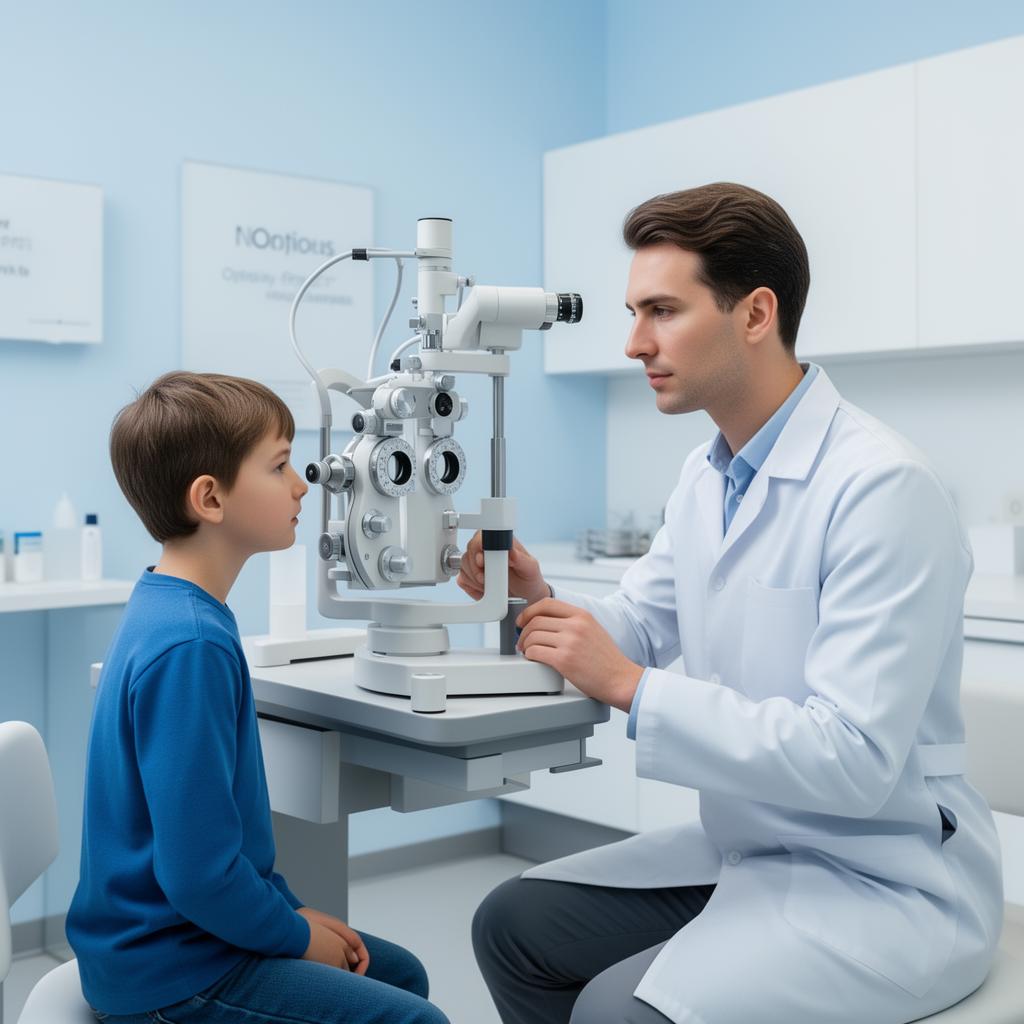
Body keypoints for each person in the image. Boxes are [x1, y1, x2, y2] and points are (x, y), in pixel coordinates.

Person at [465, 183, 1003, 1024]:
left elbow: (854, 757)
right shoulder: (707, 474)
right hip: (752, 849)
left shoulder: (881, 487)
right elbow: (639, 625)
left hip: (887, 879)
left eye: (662, 311)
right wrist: (536, 599)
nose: (635, 342)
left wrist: (637, 689)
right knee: (513, 926)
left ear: (755, 314)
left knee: (617, 1010)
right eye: (634, 312)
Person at [66, 371, 447, 1024]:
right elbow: (197, 875)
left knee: (401, 973)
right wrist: (296, 936)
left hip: (180, 936)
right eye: (279, 467)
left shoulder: (173, 606)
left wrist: (289, 908)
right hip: (169, 972)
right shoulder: (191, 644)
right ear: (210, 499)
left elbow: (218, 851)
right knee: (420, 1020)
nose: (303, 484)